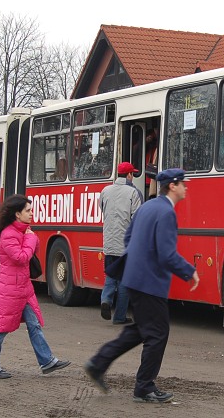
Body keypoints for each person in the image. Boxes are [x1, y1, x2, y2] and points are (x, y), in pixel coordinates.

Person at [84, 168, 200, 404]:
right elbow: (167, 254)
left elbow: (128, 237)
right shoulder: (166, 212)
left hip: (135, 279)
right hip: (150, 282)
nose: (186, 187)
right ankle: (144, 387)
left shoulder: (148, 206)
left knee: (143, 329)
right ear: (173, 186)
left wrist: (137, 260)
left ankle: (98, 364)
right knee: (157, 334)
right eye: (183, 184)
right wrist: (189, 271)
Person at [0, 195, 70, 379]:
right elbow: (21, 258)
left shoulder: (22, 232)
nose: (31, 213)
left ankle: (47, 361)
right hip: (11, 290)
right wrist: (30, 239)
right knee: (1, 329)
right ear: (17, 214)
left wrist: (30, 238)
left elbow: (31, 251)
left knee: (34, 324)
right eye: (28, 210)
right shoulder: (9, 234)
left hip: (22, 287)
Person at [100, 161, 143, 325]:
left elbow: (102, 210)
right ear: (130, 175)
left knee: (111, 274)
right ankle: (119, 316)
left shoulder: (105, 191)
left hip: (109, 243)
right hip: (126, 245)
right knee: (125, 281)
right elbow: (137, 219)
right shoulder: (134, 192)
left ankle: (105, 300)